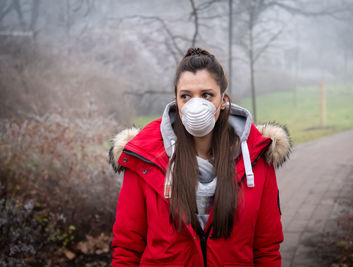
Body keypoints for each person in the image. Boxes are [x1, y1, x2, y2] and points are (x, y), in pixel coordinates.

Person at [108, 47, 291, 267]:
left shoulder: (257, 157)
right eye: (186, 96)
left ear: (223, 100)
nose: (196, 106)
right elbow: (127, 248)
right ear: (176, 100)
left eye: (206, 95)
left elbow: (267, 248)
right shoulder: (144, 158)